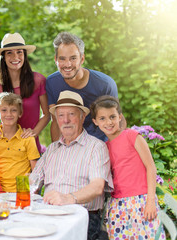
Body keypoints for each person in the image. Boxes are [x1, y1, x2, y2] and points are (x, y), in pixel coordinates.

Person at [31, 90, 113, 240]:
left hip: (82, 217)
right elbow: (33, 182)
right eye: (61, 115)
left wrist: (68, 198)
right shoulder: (52, 149)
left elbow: (97, 187)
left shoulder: (96, 147)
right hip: (48, 214)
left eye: (72, 114)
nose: (66, 120)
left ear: (82, 117)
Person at [90, 95, 165, 239]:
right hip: (118, 205)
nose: (109, 122)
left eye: (112, 116)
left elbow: (151, 167)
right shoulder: (103, 148)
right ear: (95, 122)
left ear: (120, 117)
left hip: (142, 200)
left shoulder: (132, 136)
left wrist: (150, 202)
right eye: (102, 118)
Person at [46, 31, 125, 142]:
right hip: (70, 144)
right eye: (62, 59)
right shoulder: (51, 83)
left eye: (73, 58)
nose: (68, 64)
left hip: (101, 142)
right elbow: (55, 121)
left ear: (82, 59)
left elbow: (116, 121)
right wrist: (55, 153)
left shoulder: (104, 84)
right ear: (56, 60)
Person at [0, 32, 50, 154]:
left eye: (19, 52)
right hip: (5, 149)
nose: (15, 57)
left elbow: (46, 114)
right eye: (9, 52)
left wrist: (34, 132)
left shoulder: (38, 80)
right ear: (3, 57)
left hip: (30, 146)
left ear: (24, 55)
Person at [0, 92, 40, 192]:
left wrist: (33, 193)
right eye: (4, 110)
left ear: (20, 113)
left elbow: (35, 170)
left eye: (13, 110)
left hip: (22, 191)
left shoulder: (27, 138)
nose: (9, 114)